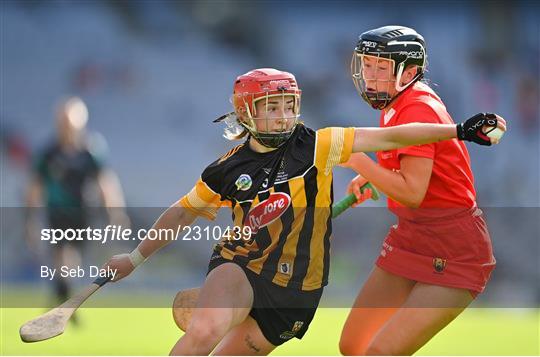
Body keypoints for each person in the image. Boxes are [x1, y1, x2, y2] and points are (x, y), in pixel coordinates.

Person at [102, 68, 504, 356]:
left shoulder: (318, 144)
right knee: (205, 330)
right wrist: (135, 258)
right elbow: (180, 214)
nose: (283, 116)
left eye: (288, 105)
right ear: (247, 113)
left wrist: (458, 131)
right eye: (271, 107)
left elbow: (392, 136)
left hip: (294, 293)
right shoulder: (225, 170)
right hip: (241, 265)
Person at [339, 26, 505, 355]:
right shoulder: (397, 105)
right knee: (352, 345)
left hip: (455, 248)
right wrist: (375, 176)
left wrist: (360, 163)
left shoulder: (417, 108)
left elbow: (412, 192)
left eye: (381, 67)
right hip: (412, 237)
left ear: (410, 72)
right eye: (367, 64)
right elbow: (419, 169)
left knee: (380, 352)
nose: (370, 76)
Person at [26, 96, 129, 307]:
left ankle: (62, 295)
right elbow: (36, 185)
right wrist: (31, 217)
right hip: (57, 211)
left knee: (72, 259)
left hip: (83, 211)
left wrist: (115, 211)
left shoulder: (91, 150)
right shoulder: (48, 153)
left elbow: (105, 181)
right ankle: (65, 301)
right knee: (62, 253)